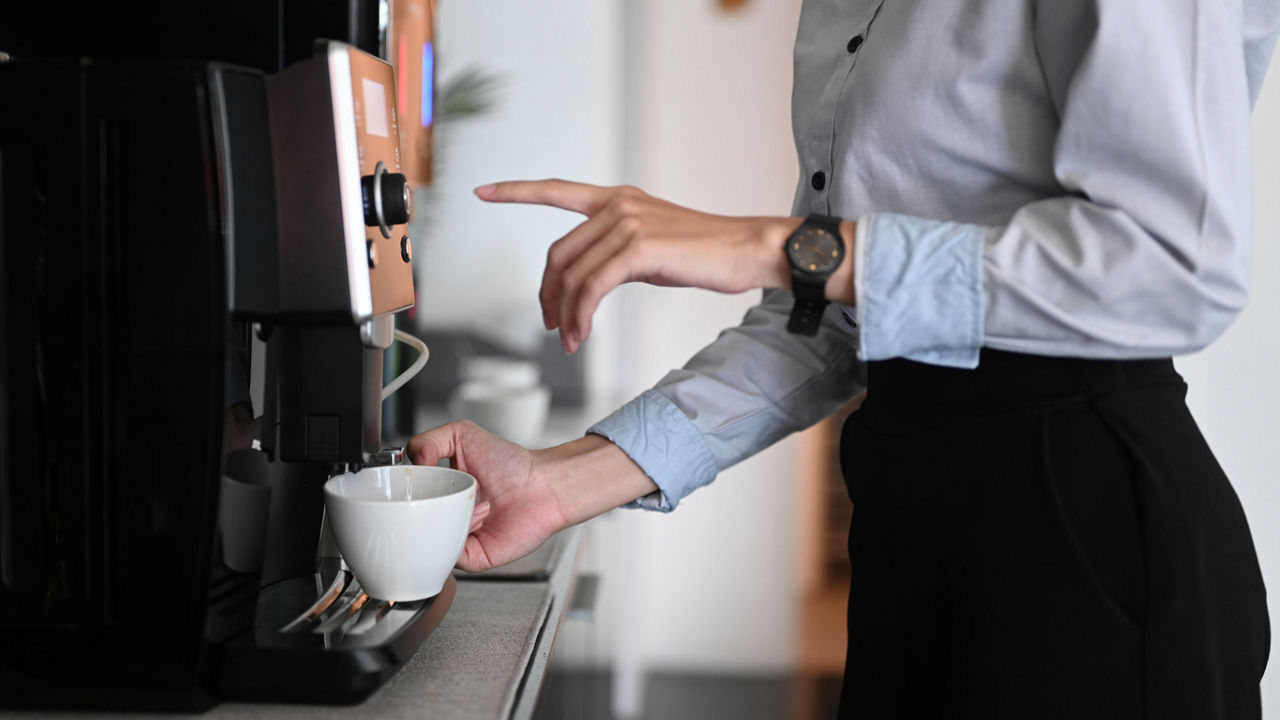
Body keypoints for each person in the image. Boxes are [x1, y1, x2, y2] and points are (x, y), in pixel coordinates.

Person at [409, 2, 1277, 717]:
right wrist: (561, 482)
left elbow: (1173, 265)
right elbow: (825, 314)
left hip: (1089, 534)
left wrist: (778, 244)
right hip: (913, 527)